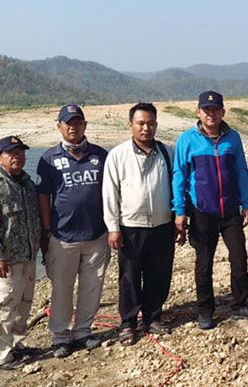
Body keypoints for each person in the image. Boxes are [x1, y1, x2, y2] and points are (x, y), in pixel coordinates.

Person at [173, 91, 248, 329]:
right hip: (202, 211)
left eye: (215, 110)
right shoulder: (187, 139)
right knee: (204, 262)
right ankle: (205, 310)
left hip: (230, 210)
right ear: (198, 112)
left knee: (239, 258)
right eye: (206, 110)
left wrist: (247, 202)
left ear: (222, 112)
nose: (211, 114)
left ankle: (241, 304)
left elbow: (241, 170)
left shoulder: (232, 138)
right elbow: (179, 176)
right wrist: (179, 210)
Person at [103, 103, 181, 345]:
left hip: (162, 225)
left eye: (151, 123)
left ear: (156, 125)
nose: (146, 128)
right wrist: (113, 227)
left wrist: (179, 218)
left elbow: (177, 187)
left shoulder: (167, 153)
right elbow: (109, 193)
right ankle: (128, 323)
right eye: (141, 123)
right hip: (130, 227)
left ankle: (153, 317)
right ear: (131, 125)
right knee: (129, 277)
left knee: (159, 274)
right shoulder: (118, 155)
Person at [37, 105, 110, 357]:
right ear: (59, 126)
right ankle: (60, 336)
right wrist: (47, 230)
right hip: (62, 237)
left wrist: (112, 227)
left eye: (78, 122)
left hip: (96, 235)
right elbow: (43, 196)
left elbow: (111, 192)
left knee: (92, 287)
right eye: (68, 123)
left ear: (85, 125)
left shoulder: (100, 155)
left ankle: (83, 332)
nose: (73, 127)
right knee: (62, 289)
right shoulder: (48, 158)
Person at [0, 136, 41, 371]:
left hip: (28, 257)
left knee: (23, 306)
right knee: (3, 308)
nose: (17, 157)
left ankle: (16, 345)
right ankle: (0, 357)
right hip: (6, 262)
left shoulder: (28, 185)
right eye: (11, 153)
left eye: (21, 152)